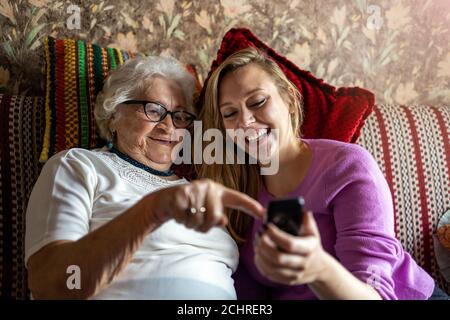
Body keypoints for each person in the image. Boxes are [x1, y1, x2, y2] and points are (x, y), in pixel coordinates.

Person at [196, 47, 439, 300]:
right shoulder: (236, 185)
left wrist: (317, 268)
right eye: (230, 113)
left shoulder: (347, 166)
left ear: (289, 99)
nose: (245, 122)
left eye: (257, 101)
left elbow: (376, 294)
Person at [25, 56, 265, 300]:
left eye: (180, 116)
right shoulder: (80, 166)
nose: (168, 126)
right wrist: (149, 212)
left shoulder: (199, 189)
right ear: (114, 115)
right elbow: (52, 284)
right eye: (154, 110)